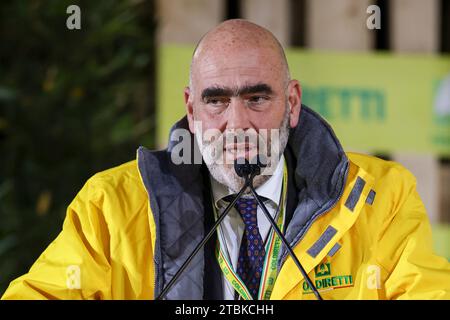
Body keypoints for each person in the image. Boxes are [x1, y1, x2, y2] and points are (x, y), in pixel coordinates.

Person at [2, 19, 450, 300]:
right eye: (216, 101)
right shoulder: (112, 206)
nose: (237, 124)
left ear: (292, 103)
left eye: (257, 97)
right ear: (192, 110)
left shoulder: (380, 197)